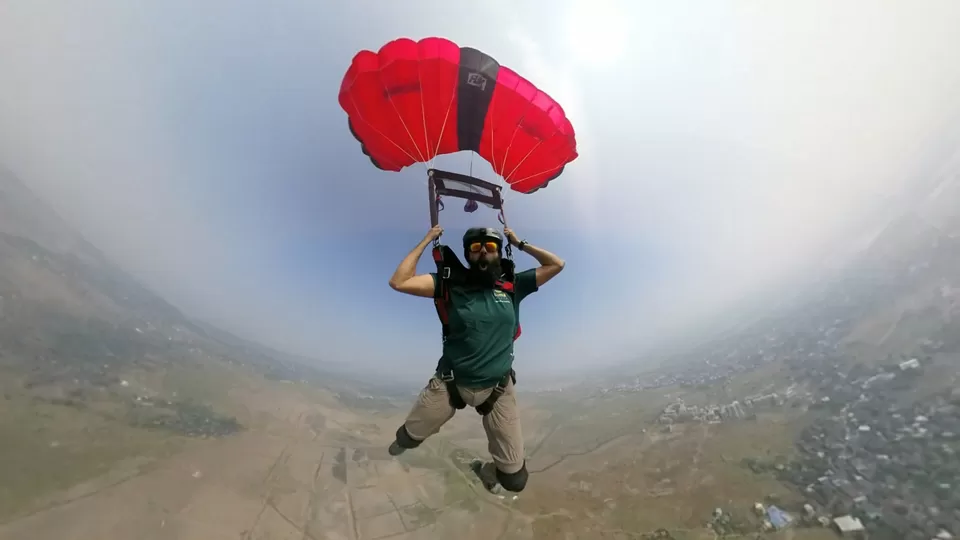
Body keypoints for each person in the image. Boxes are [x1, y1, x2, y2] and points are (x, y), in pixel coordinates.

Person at [385, 224, 565, 493]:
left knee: (514, 479)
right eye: (475, 248)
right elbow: (399, 281)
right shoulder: (449, 284)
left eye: (490, 247)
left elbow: (556, 264)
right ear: (468, 255)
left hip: (498, 388)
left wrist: (518, 243)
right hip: (451, 383)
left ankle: (484, 470)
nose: (483, 252)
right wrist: (426, 240)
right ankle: (406, 440)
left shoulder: (512, 286)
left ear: (498, 253)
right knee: (405, 439)